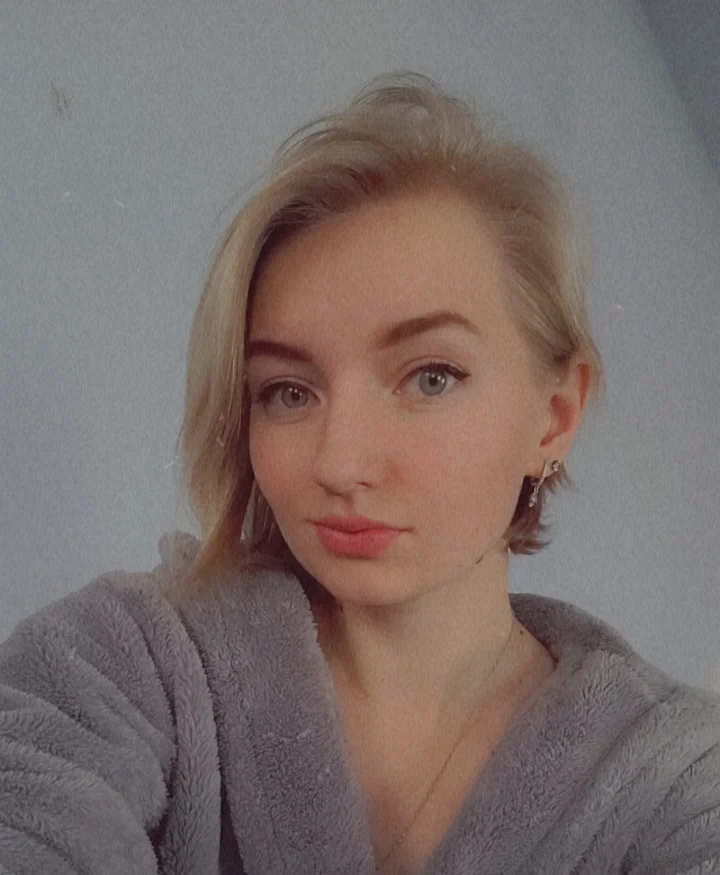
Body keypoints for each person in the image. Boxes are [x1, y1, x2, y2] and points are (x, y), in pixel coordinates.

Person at [1, 71, 719, 875]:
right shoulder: (121, 660)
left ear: (554, 414)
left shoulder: (678, 780)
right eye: (289, 391)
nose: (340, 463)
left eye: (430, 377)